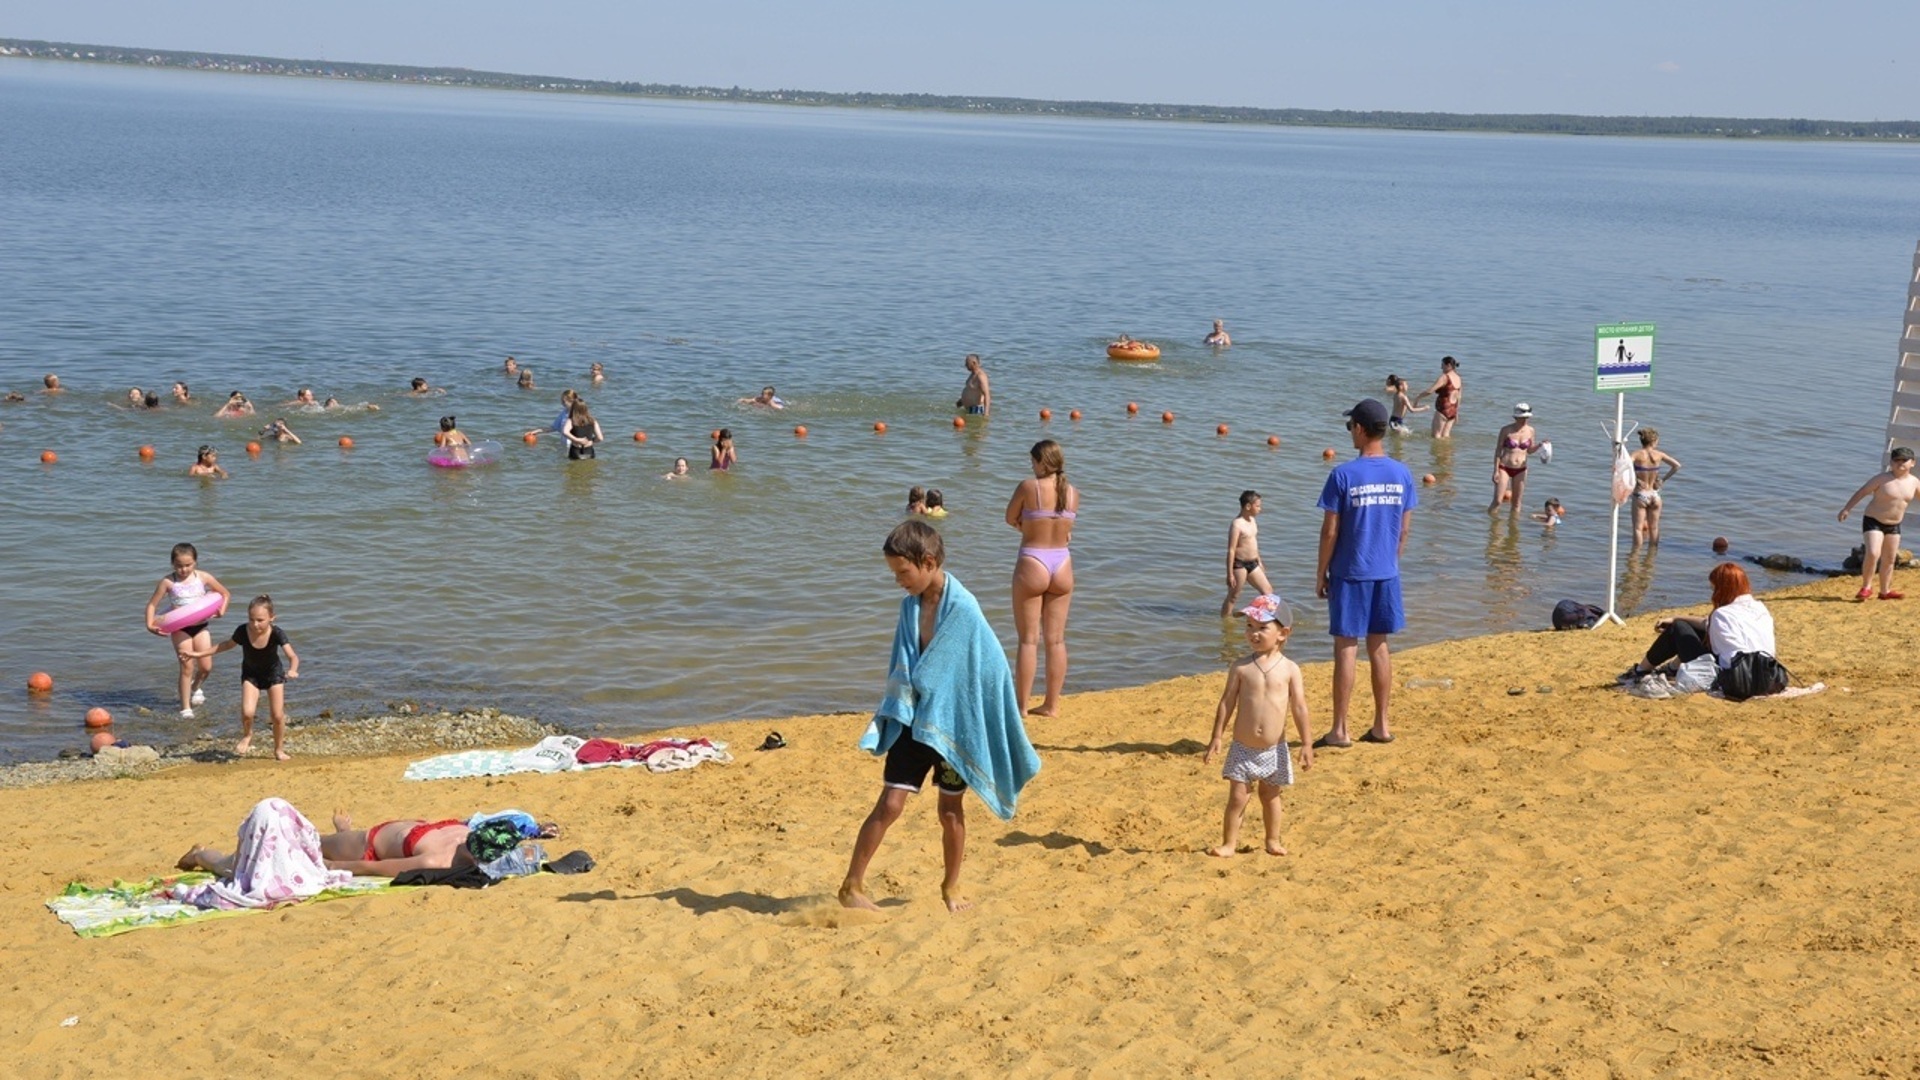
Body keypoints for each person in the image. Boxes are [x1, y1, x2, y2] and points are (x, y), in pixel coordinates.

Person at [839, 521, 1041, 913]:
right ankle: (851, 885)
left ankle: (951, 887)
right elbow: (905, 661)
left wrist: (991, 711)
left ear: (928, 561)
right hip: (915, 720)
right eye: (894, 573)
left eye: (903, 572)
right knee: (890, 804)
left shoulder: (963, 607)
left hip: (954, 725)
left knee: (950, 812)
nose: (898, 581)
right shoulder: (909, 607)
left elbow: (990, 667)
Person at [1315, 399, 1417, 747]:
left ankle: (1340, 729)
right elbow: (1404, 530)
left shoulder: (1342, 475)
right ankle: (1381, 725)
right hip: (1386, 573)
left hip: (1350, 571)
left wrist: (1321, 573)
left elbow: (1330, 531)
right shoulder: (1402, 473)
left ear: (1359, 429)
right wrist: (1391, 561)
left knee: (1346, 647)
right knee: (1379, 646)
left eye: (1350, 427)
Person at [1203, 594, 1312, 857]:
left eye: (1262, 627)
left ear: (1283, 633)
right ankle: (1229, 843)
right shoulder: (1241, 667)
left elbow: (1299, 707)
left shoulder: (1289, 669)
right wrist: (1216, 736)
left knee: (1270, 795)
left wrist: (1307, 743)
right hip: (1243, 747)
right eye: (1249, 627)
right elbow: (1227, 702)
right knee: (1238, 797)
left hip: (1274, 749)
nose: (1253, 633)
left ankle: (1272, 840)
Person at [1618, 563, 1776, 698]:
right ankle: (1671, 669)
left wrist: (1676, 621)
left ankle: (1641, 671)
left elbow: (1712, 636)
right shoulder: (1760, 607)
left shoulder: (1722, 614)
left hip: (1734, 676)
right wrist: (1675, 617)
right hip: (1766, 674)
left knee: (1678, 629)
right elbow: (1707, 624)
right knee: (1687, 627)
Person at [1005, 439, 1078, 717]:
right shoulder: (1072, 493)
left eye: (1033, 461)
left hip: (1033, 561)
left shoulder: (1028, 487)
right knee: (1056, 640)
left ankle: (1022, 707)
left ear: (1042, 462)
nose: (1031, 466)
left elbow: (1009, 517)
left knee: (1027, 640)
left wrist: (1027, 526)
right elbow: (1066, 528)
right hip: (1062, 563)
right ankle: (1051, 705)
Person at [179, 595, 299, 760]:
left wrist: (293, 669)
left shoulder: (277, 633)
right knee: (247, 713)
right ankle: (247, 735)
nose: (255, 624)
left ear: (272, 618)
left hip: (274, 675)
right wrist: (197, 653)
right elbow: (226, 645)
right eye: (251, 619)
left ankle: (278, 749)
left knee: (277, 715)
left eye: (260, 620)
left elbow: (293, 656)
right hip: (251, 675)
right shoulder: (243, 631)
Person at [144, 542, 232, 720]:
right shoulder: (168, 582)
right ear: (172, 564)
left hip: (201, 626)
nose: (183, 569)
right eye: (179, 565)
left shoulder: (204, 577)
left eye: (188, 565)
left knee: (206, 667)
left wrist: (222, 609)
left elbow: (225, 593)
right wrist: (149, 625)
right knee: (187, 666)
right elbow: (152, 605)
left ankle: (195, 687)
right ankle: (185, 708)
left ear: (195, 563)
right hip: (180, 628)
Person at [1838, 445, 1920, 600]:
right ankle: (1866, 587)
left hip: (1894, 524)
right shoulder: (1882, 479)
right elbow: (1862, 492)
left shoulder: (1914, 482)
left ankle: (1885, 591)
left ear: (1912, 463)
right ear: (1891, 462)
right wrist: (1846, 509)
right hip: (1873, 520)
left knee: (1889, 559)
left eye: (1904, 460)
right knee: (1874, 552)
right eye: (1896, 460)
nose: (1900, 463)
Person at [1220, 490, 1275, 617]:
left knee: (1268, 592)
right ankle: (1226, 621)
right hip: (1239, 565)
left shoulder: (1252, 521)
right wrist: (1229, 574)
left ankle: (1253, 613)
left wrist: (1259, 561)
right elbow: (1231, 550)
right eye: (1258, 506)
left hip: (1253, 563)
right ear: (1248, 506)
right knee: (1233, 596)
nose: (1260, 509)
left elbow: (1253, 543)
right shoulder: (1237, 524)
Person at [1489, 403, 1544, 516]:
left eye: (1526, 418)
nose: (1524, 420)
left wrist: (1539, 445)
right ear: (1515, 417)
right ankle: (1491, 526)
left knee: (1517, 503)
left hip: (1521, 469)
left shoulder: (1531, 430)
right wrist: (1495, 471)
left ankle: (1514, 531)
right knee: (1498, 501)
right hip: (1504, 467)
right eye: (1521, 418)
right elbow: (1498, 450)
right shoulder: (1506, 430)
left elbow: (1529, 450)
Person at [1630, 428, 1682, 547]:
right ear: (1654, 441)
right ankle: (1652, 556)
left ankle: (1636, 556)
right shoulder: (1659, 454)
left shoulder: (1636, 454)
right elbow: (1677, 466)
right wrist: (1663, 480)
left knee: (1638, 529)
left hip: (1640, 495)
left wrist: (1636, 479)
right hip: (1655, 494)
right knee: (1654, 528)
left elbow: (1623, 465)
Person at [1413, 356, 1462, 439]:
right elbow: (1459, 396)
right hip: (1453, 409)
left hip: (1443, 409)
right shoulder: (1458, 378)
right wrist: (1457, 412)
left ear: (1448, 365)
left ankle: (1438, 452)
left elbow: (1430, 391)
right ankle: (1447, 451)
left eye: (1442, 365)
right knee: (1446, 435)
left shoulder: (1444, 377)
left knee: (1436, 436)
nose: (1441, 367)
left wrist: (1418, 397)